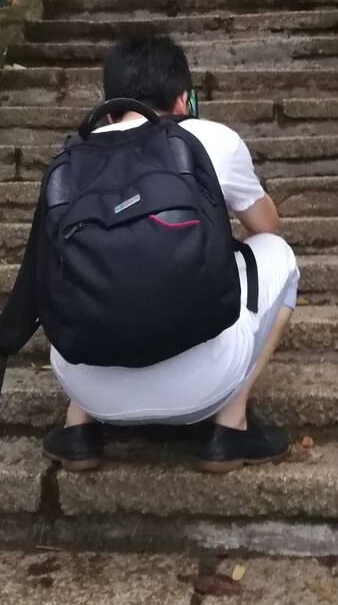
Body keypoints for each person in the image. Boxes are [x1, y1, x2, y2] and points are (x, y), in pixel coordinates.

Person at [40, 34, 299, 473]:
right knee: (277, 254)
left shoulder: (74, 155)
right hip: (204, 386)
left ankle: (78, 427)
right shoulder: (211, 138)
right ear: (184, 99)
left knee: (78, 270)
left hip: (88, 385)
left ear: (109, 98)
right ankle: (230, 429)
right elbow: (266, 227)